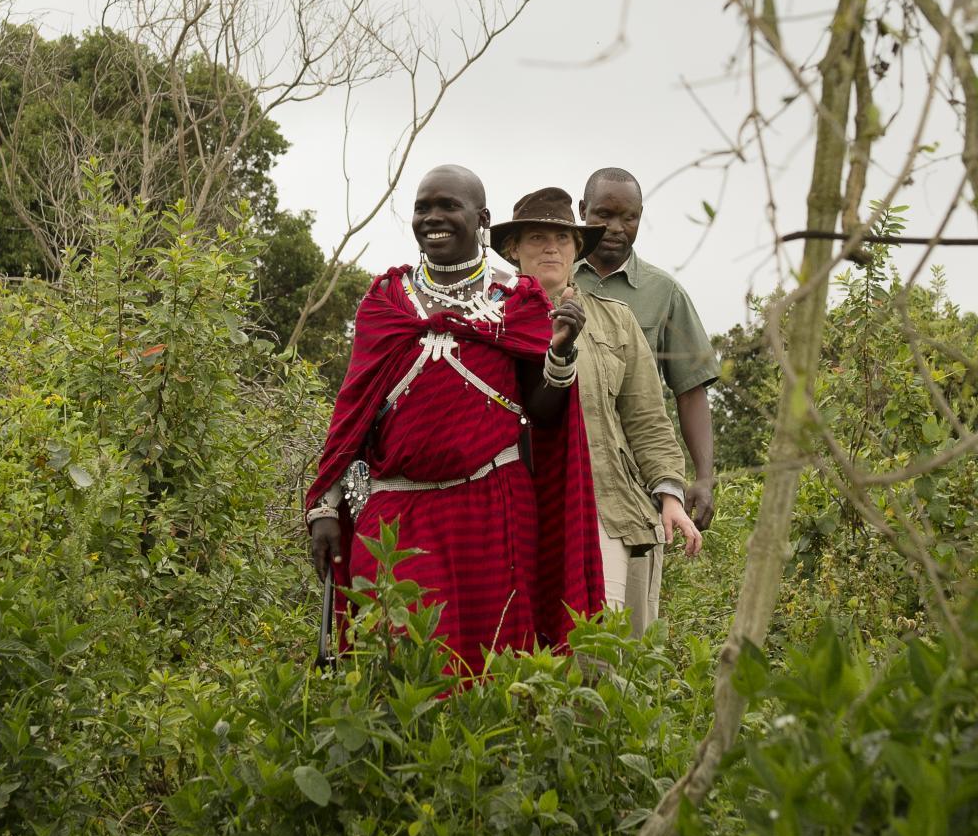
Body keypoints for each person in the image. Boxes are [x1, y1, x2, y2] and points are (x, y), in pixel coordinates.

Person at [304, 165, 605, 671]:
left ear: (482, 219)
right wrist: (326, 507)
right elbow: (352, 413)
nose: (433, 218)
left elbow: (544, 414)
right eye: (424, 208)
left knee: (491, 673)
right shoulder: (385, 302)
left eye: (449, 207)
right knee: (391, 668)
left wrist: (558, 353)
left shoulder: (517, 302)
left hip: (492, 509)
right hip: (396, 514)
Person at [491, 187, 702, 633]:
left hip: (608, 508)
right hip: (516, 511)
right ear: (513, 250)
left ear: (577, 249)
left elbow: (647, 418)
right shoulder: (487, 321)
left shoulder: (616, 319)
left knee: (607, 658)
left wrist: (670, 495)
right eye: (536, 238)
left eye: (563, 239)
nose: (551, 248)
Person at [576, 168, 723, 529]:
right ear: (582, 211)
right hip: (566, 468)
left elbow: (690, 391)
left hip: (638, 478)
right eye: (604, 215)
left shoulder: (665, 293)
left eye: (630, 217)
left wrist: (703, 478)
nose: (616, 227)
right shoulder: (550, 280)